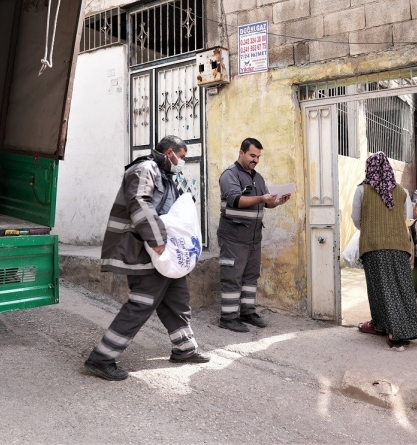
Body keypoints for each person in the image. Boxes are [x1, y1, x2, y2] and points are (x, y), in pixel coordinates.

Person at [84, 135, 210, 381]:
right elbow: (139, 203)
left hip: (164, 254)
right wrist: (158, 239)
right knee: (142, 303)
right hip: (145, 249)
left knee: (177, 299)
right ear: (169, 152)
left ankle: (184, 349)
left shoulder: (169, 176)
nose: (181, 163)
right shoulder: (144, 169)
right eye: (181, 157)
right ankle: (101, 358)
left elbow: (181, 207)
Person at [217, 138, 290, 332]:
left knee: (250, 277)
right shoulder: (229, 175)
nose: (255, 160)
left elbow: (267, 203)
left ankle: (247, 312)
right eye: (252, 155)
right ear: (241, 152)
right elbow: (235, 200)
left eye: (258, 156)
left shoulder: (258, 178)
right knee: (232, 277)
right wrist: (262, 197)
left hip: (253, 238)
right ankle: (228, 317)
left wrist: (278, 201)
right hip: (233, 237)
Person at [352, 152, 417, 350]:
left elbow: (356, 219)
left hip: (373, 246)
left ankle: (392, 332)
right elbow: (406, 217)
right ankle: (389, 327)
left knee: (379, 288)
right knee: (401, 287)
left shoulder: (362, 190)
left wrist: (372, 228)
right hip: (399, 245)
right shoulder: (401, 192)